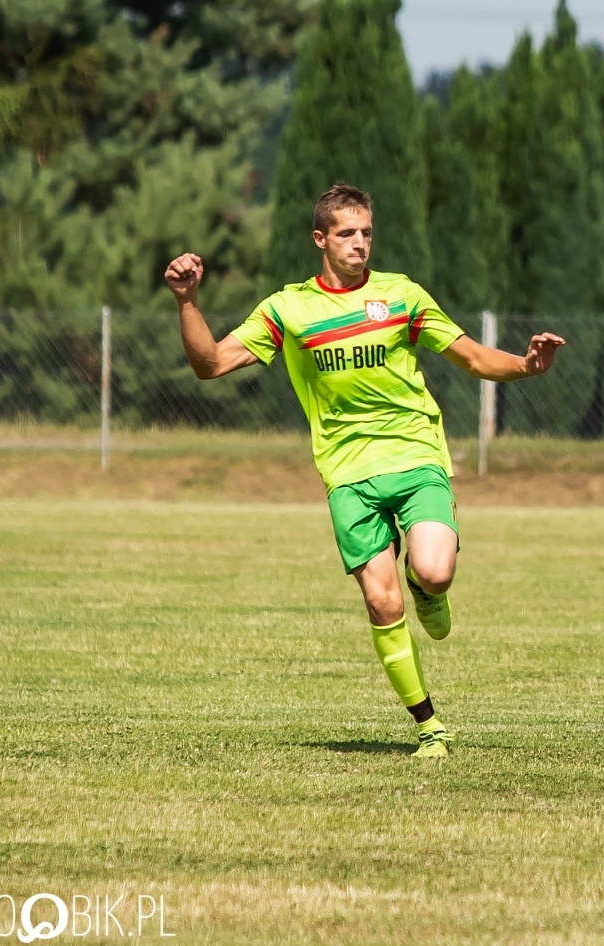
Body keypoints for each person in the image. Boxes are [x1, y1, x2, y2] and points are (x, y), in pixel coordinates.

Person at [163, 183, 564, 759]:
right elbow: (211, 364)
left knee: (433, 570)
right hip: (347, 474)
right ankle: (429, 726)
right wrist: (187, 302)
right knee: (382, 604)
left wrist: (526, 365)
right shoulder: (288, 308)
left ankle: (430, 586)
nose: (360, 244)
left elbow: (473, 357)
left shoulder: (401, 296)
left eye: (367, 232)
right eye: (347, 233)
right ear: (320, 239)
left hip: (415, 454)